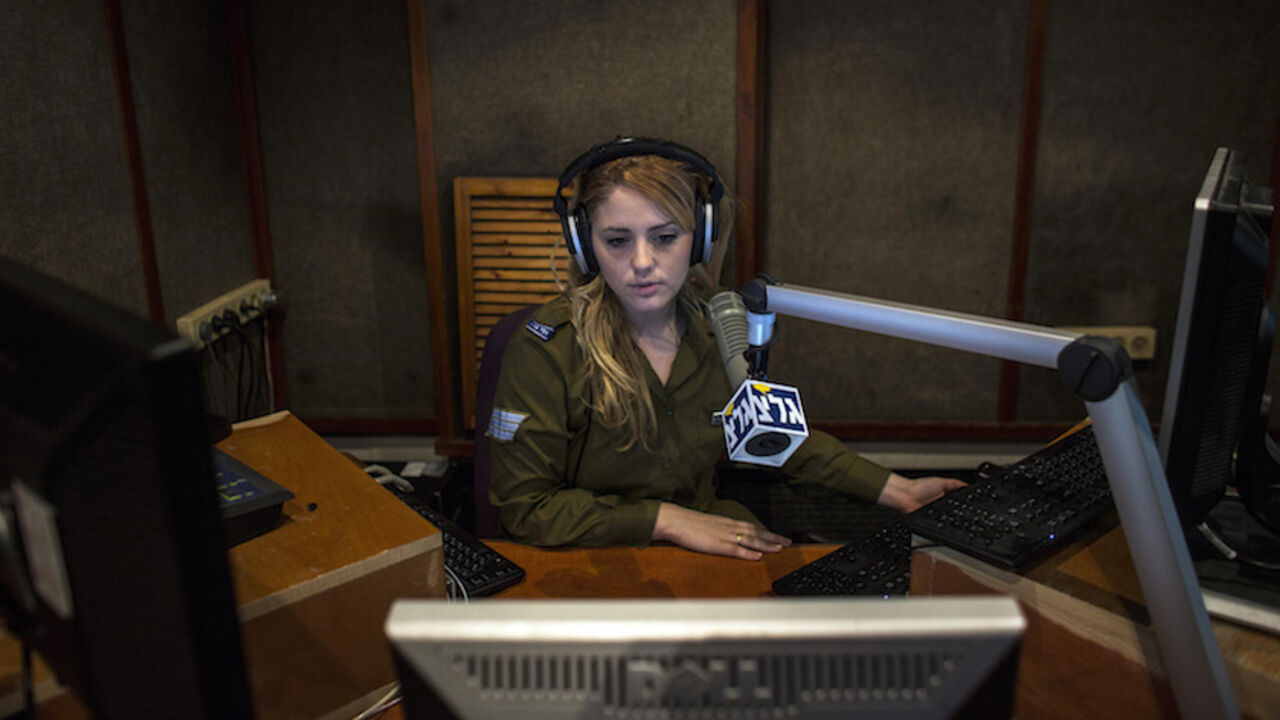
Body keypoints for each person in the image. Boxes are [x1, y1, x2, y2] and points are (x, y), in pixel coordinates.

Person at [487, 137, 964, 560]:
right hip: (590, 554)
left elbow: (775, 438)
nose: (642, 262)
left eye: (665, 237)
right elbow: (527, 509)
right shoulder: (548, 348)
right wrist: (668, 521)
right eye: (616, 240)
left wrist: (898, 491)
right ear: (585, 245)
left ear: (700, 240)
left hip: (702, 537)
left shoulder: (721, 325)